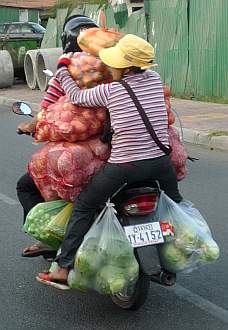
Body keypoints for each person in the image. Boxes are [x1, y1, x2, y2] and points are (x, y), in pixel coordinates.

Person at [37, 34, 183, 286]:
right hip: (161, 162)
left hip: (126, 166)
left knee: (84, 204)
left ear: (125, 66)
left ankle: (62, 268)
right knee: (176, 208)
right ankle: (179, 251)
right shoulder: (155, 79)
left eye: (115, 63)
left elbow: (76, 97)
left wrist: (62, 69)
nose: (110, 67)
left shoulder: (112, 91)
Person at [16, 15, 99, 258]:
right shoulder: (113, 68)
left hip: (75, 154)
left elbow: (46, 113)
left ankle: (47, 238)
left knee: (27, 185)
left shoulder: (67, 70)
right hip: (113, 150)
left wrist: (29, 125)